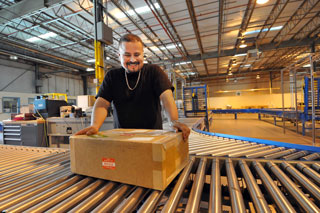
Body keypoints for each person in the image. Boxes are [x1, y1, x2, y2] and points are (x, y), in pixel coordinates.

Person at [75, 34, 190, 140]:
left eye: (136, 54)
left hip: (152, 138)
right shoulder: (112, 76)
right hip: (122, 138)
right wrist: (95, 125)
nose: (132, 60)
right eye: (127, 55)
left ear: (142, 54)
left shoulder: (154, 72)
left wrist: (173, 121)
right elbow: (102, 104)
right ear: (119, 55)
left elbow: (166, 98)